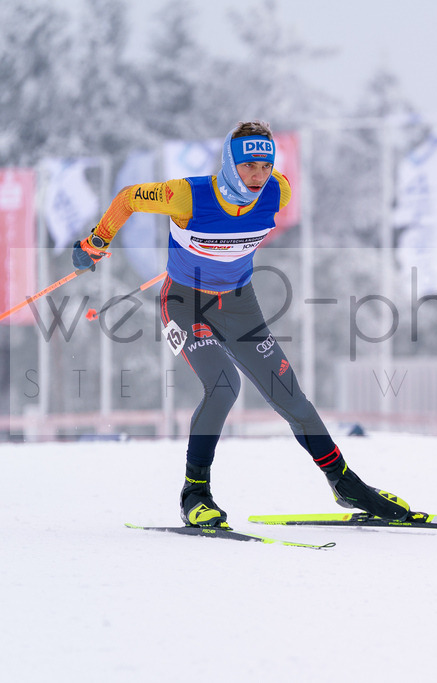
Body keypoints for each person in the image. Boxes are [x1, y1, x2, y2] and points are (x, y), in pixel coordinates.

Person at [73, 120, 411, 527]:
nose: (258, 175)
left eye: (265, 166)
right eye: (249, 165)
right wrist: (98, 239)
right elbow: (128, 197)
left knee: (291, 397)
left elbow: (236, 232)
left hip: (239, 305)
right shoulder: (187, 195)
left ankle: (343, 482)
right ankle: (195, 493)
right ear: (231, 164)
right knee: (224, 386)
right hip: (185, 304)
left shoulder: (278, 191)